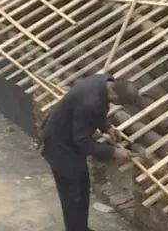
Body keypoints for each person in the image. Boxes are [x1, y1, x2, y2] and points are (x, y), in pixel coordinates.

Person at [40, 75, 140, 231]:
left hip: (70, 139)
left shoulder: (104, 81)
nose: (113, 104)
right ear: (114, 95)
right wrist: (112, 152)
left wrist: (106, 127)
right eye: (117, 103)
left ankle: (81, 227)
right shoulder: (89, 103)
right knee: (72, 195)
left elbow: (99, 110)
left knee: (82, 186)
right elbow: (81, 142)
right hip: (60, 146)